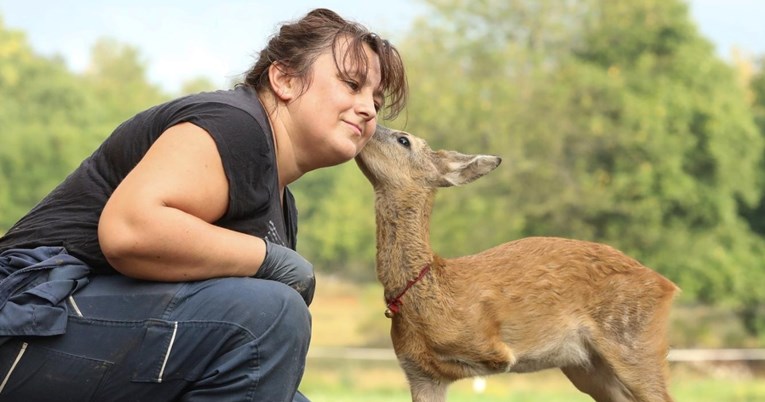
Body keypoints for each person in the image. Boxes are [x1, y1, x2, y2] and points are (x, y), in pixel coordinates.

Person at [0, 8, 407, 402]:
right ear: (283, 79)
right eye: (352, 85)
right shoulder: (235, 125)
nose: (369, 108)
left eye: (377, 98)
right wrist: (271, 260)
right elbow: (129, 230)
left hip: (68, 330)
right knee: (269, 314)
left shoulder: (281, 203)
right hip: (25, 314)